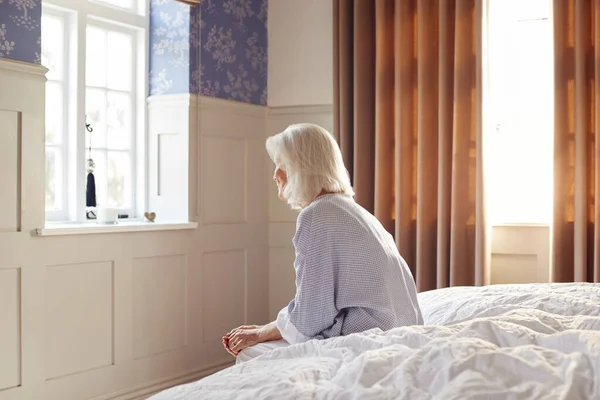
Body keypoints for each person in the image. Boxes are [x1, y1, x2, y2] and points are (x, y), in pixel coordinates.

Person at [222, 123, 423, 363]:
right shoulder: (352, 209)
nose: (275, 174)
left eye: (281, 165)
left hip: (371, 339)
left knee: (250, 355)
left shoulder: (316, 216)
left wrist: (261, 332)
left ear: (301, 168)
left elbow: (310, 317)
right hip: (398, 331)